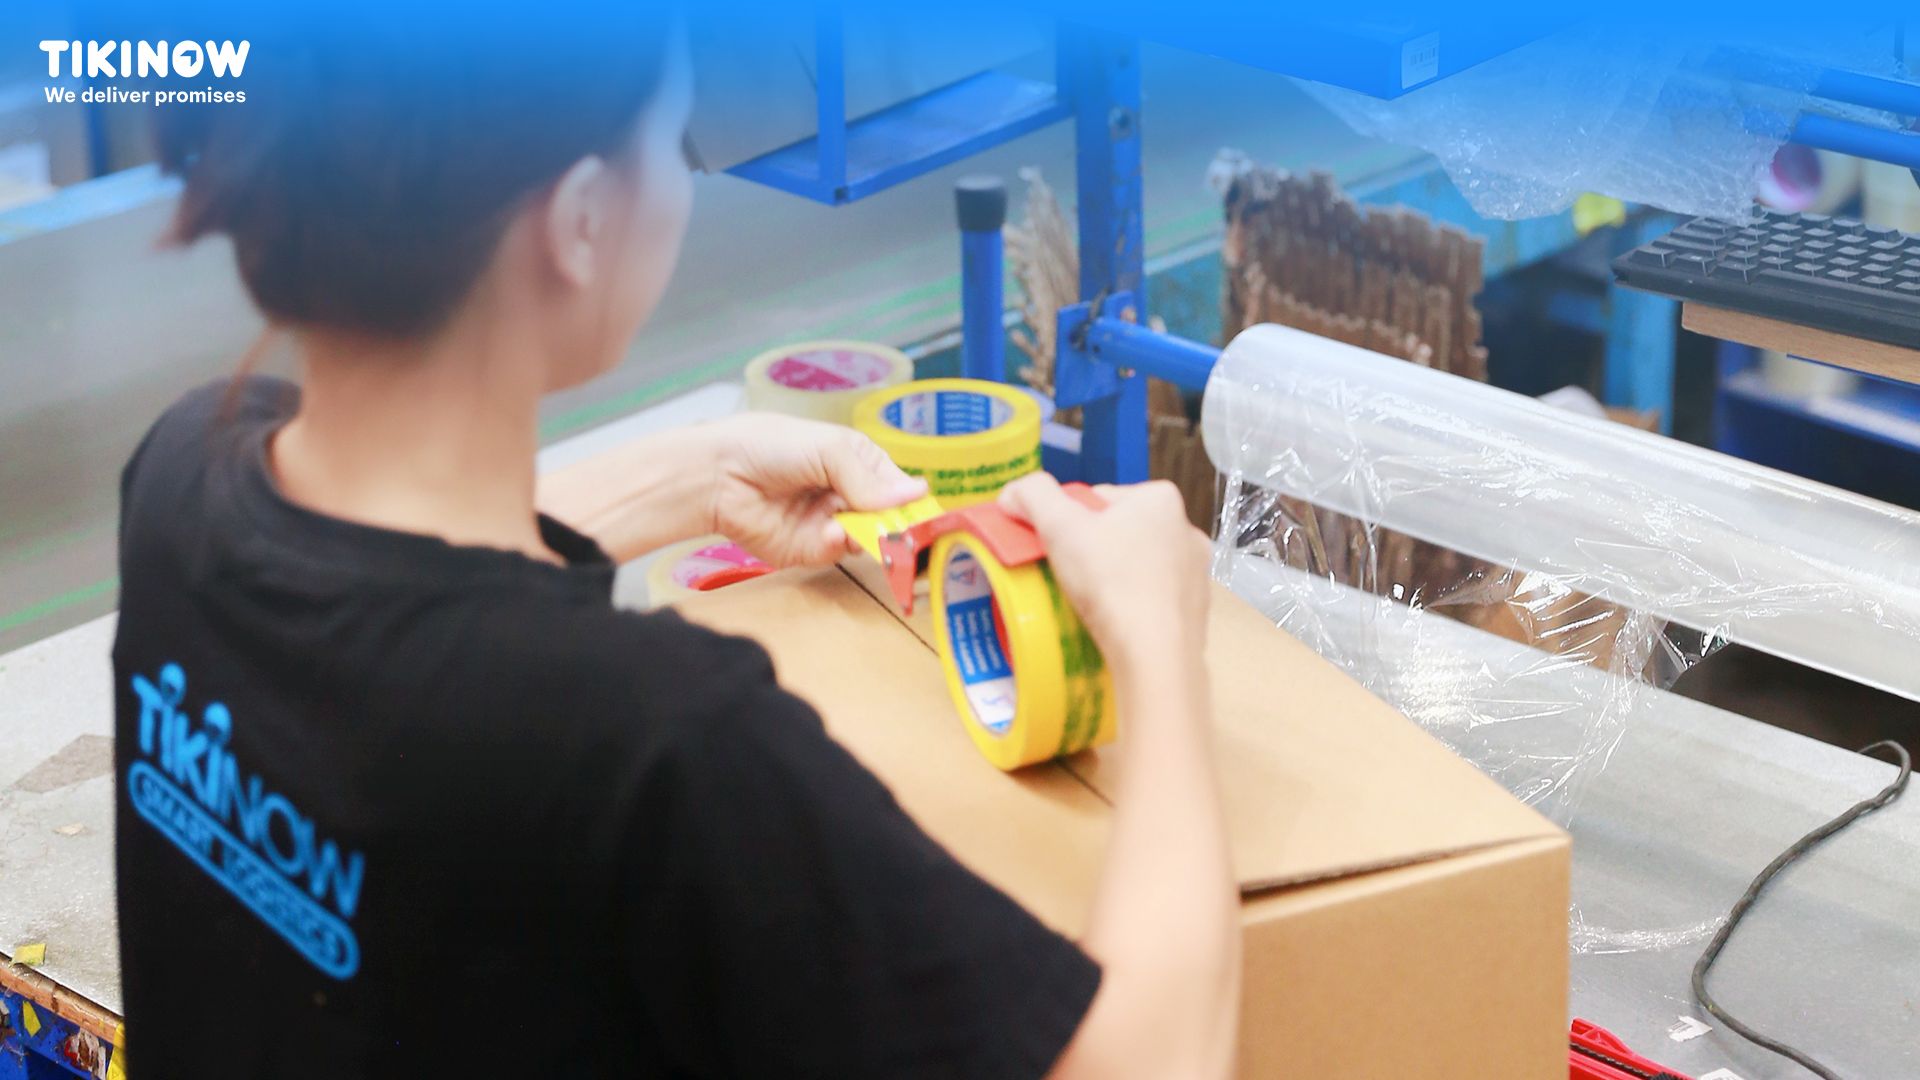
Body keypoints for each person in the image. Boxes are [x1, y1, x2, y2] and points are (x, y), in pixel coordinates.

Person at [113, 9, 1237, 1077]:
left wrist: (699, 477)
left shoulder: (179, 483)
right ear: (580, 219)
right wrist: (1156, 645)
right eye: (677, 140)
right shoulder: (661, 744)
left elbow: (389, 591)